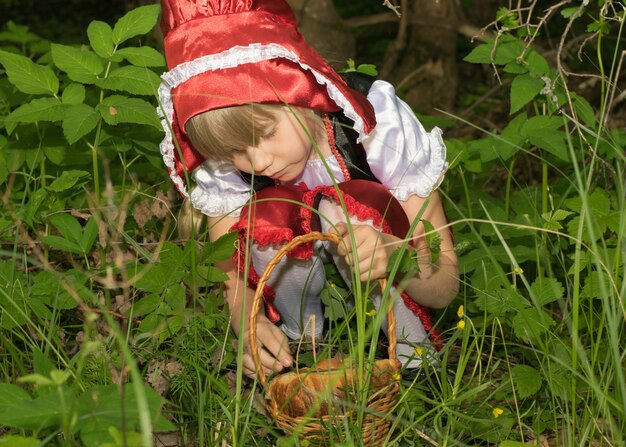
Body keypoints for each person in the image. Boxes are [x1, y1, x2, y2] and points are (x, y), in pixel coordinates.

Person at [158, 0, 459, 379]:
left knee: (353, 203)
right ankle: (299, 349)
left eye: (266, 133)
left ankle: (416, 361)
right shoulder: (230, 169)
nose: (258, 163)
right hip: (302, 309)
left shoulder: (375, 126)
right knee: (267, 210)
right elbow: (232, 278)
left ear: (299, 90)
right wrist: (247, 325)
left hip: (392, 282)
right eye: (233, 151)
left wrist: (396, 255)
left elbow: (446, 287)